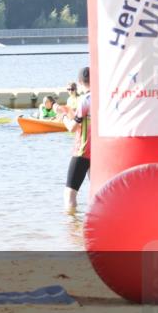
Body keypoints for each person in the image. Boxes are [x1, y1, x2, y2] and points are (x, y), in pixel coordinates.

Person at [61, 66, 91, 212]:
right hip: (100, 151)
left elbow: (72, 127)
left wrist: (63, 117)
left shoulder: (85, 99)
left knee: (70, 194)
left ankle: (72, 223)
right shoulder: (103, 97)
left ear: (79, 82)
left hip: (83, 150)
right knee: (96, 190)